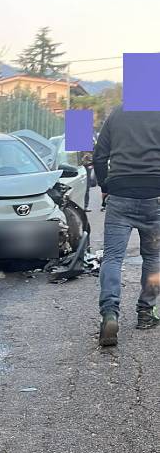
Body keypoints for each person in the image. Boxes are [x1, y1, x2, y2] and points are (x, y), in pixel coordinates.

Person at [94, 105, 160, 346]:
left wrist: (105, 187)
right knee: (153, 258)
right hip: (156, 197)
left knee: (112, 257)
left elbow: (99, 155)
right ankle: (146, 313)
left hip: (120, 195)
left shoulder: (117, 113)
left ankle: (110, 314)